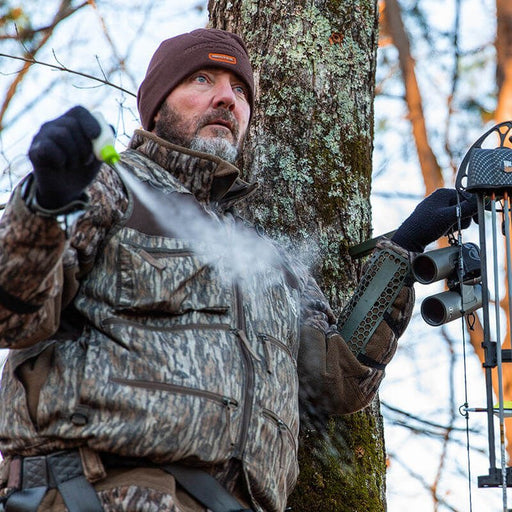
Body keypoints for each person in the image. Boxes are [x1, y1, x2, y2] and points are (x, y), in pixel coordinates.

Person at [0, 28, 477, 512]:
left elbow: (338, 379)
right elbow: (10, 313)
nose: (228, 99)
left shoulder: (264, 256)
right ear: (157, 104)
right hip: (99, 494)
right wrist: (43, 205)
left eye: (241, 90)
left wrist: (402, 250)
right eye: (203, 79)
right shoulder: (104, 185)